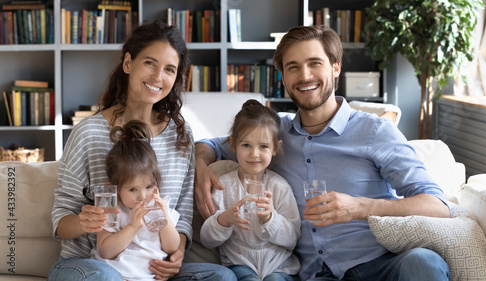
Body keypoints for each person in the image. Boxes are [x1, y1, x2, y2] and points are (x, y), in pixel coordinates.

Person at [194, 25, 451, 281]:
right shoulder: (272, 136)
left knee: (423, 262)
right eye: (293, 67)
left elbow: (437, 206)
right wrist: (200, 165)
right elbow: (212, 145)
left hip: (380, 265)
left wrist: (360, 207)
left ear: (335, 67)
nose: (304, 76)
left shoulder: (374, 131)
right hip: (316, 274)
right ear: (283, 77)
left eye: (314, 63)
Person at [49, 19, 236, 281]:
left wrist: (177, 254)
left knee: (221, 277)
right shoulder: (89, 133)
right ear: (128, 63)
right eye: (150, 63)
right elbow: (60, 219)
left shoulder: (180, 136)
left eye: (170, 69)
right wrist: (82, 222)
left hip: (149, 269)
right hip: (89, 266)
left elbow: (181, 215)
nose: (158, 77)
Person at [200, 100, 301, 281]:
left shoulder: (279, 187)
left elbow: (292, 238)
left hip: (279, 268)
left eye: (263, 146)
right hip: (239, 266)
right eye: (246, 145)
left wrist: (271, 219)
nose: (254, 154)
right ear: (233, 145)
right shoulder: (223, 187)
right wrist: (223, 220)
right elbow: (207, 240)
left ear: (275, 148)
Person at [95, 119, 181, 280]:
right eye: (133, 189)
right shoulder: (112, 209)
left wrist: (165, 219)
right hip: (118, 274)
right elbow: (105, 251)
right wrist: (133, 227)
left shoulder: (159, 206)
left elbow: (171, 247)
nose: (143, 196)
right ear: (115, 188)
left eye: (149, 187)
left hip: (150, 277)